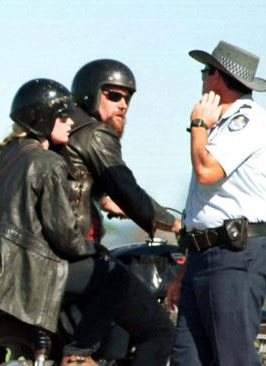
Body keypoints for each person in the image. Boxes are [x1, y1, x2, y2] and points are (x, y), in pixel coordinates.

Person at [0, 78, 137, 366]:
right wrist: (92, 249)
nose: (70, 122)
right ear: (42, 119)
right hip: (25, 266)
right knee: (114, 276)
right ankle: (80, 353)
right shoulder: (48, 163)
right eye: (62, 116)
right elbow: (63, 234)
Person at [165, 41, 266, 366]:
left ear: (217, 76)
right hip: (206, 256)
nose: (202, 79)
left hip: (235, 254)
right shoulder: (223, 128)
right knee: (187, 359)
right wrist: (183, 272)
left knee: (232, 359)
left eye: (205, 71)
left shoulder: (249, 121)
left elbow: (206, 171)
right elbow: (206, 210)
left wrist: (198, 124)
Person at [57, 59, 179, 365]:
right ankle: (79, 354)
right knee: (158, 330)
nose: (123, 104)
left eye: (127, 98)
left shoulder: (66, 131)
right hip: (74, 252)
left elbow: (75, 181)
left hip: (50, 251)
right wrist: (171, 222)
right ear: (89, 93)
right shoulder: (95, 133)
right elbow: (126, 187)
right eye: (113, 95)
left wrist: (102, 199)